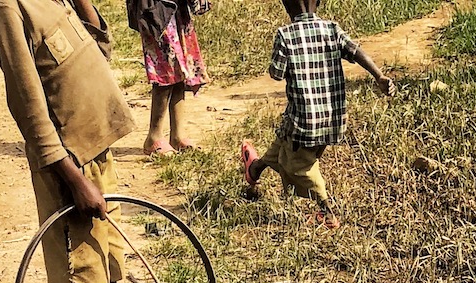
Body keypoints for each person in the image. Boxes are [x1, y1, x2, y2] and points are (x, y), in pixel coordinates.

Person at [0, 0, 169, 283]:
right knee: (79, 275)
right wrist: (72, 178)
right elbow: (28, 104)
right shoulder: (6, 8)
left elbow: (100, 49)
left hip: (96, 150)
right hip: (69, 166)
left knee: (107, 264)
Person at [239, 0, 394, 229]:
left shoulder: (286, 35)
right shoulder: (331, 29)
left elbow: (276, 73)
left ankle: (326, 210)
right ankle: (255, 169)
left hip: (303, 122)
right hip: (331, 119)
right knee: (284, 146)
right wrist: (379, 76)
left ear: (285, 5)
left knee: (299, 166)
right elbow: (356, 51)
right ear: (319, 2)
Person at [127, 0, 209, 156]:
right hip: (156, 10)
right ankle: (154, 136)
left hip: (176, 9)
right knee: (165, 69)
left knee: (179, 69)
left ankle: (177, 134)